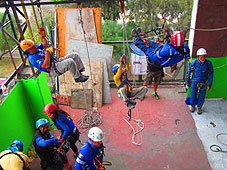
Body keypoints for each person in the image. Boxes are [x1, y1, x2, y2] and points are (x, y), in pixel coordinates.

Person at [19, 28, 89, 83]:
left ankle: (79, 72)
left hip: (56, 62)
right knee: (70, 62)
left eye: (34, 46)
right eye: (33, 47)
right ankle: (77, 78)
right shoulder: (33, 58)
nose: (35, 47)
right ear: (28, 50)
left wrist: (43, 36)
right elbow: (45, 65)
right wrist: (47, 54)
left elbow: (44, 44)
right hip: (53, 69)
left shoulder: (35, 49)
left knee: (74, 55)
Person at [186, 48, 214, 114]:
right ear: (198, 56)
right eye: (201, 56)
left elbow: (211, 74)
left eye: (204, 56)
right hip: (194, 82)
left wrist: (209, 84)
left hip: (203, 83)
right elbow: (189, 72)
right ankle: (192, 106)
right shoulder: (194, 63)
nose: (203, 58)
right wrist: (187, 81)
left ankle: (199, 107)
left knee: (202, 96)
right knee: (192, 95)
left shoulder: (208, 63)